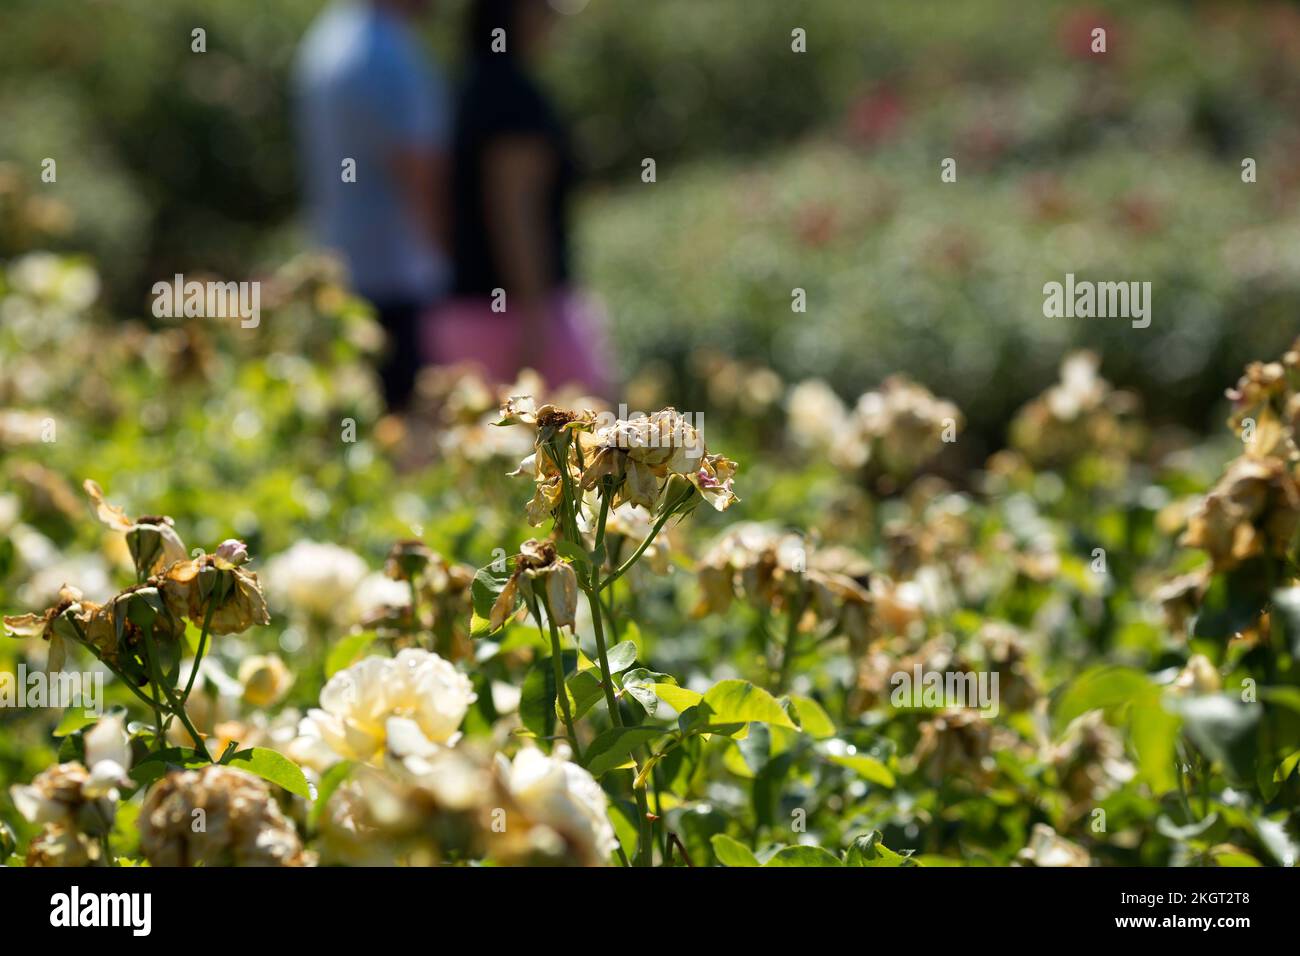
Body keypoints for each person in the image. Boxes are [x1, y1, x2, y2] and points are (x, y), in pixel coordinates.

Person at [426, 0, 610, 395]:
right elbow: (515, 212)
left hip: (466, 316)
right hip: (514, 320)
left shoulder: (469, 86)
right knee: (600, 444)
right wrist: (535, 318)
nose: (557, 19)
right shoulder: (511, 96)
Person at [294, 0, 451, 411]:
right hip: (400, 282)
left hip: (345, 278)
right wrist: (454, 269)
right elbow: (419, 175)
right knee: (413, 436)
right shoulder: (389, 56)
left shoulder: (325, 40)